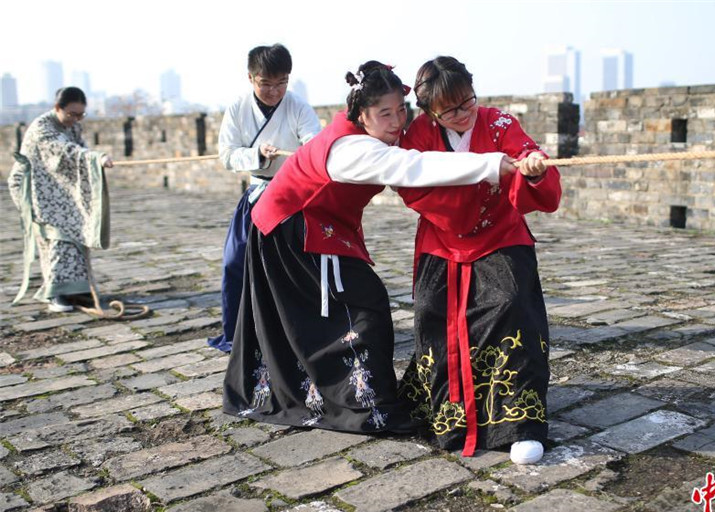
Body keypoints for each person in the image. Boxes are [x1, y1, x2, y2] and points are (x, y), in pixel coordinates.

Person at [222, 61, 515, 435]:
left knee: (336, 313)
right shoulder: (354, 148)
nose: (397, 122)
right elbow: (412, 168)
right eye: (384, 113)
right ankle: (363, 406)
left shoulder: (365, 137)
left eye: (401, 111)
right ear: (362, 115)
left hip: (300, 229)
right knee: (360, 310)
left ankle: (340, 396)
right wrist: (493, 164)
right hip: (294, 232)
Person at [396, 56, 562, 464]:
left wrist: (534, 171)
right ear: (430, 112)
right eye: (450, 109)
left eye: (467, 101)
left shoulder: (499, 123)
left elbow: (526, 154)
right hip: (442, 234)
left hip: (501, 231)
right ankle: (447, 413)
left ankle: (518, 421)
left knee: (511, 303)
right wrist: (466, 198)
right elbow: (410, 185)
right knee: (432, 310)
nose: (463, 113)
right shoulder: (417, 134)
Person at [208, 43, 322, 353]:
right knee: (236, 261)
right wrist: (255, 154)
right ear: (251, 78)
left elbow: (314, 144)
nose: (274, 91)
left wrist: (307, 156)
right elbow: (227, 155)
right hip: (258, 193)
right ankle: (240, 332)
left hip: (293, 195)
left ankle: (300, 332)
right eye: (266, 83)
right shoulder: (238, 109)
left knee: (297, 265)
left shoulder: (297, 106)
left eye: (281, 82)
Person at [7, 87, 113, 313]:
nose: (76, 120)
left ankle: (76, 288)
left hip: (58, 190)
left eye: (81, 115)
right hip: (34, 188)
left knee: (77, 231)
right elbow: (64, 151)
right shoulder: (42, 128)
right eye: (72, 114)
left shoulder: (73, 126)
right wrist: (95, 158)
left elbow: (79, 148)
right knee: (57, 237)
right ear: (58, 108)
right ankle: (56, 294)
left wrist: (96, 159)